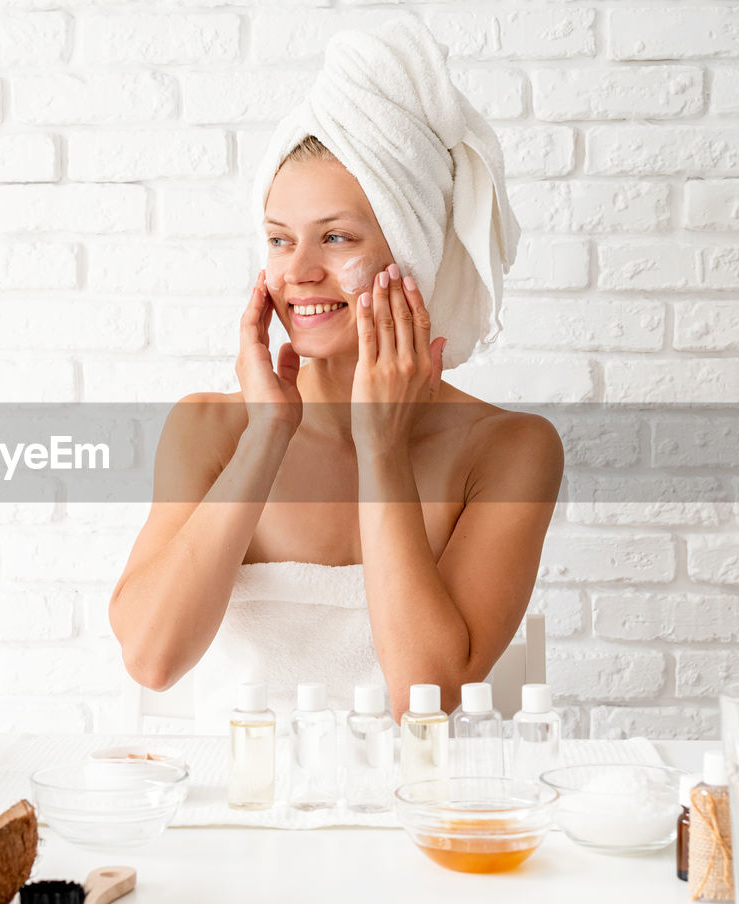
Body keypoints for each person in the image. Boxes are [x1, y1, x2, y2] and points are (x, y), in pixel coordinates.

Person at [108, 17, 564, 726]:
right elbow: (152, 658)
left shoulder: (508, 451)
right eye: (280, 239)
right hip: (244, 813)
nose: (298, 271)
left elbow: (427, 698)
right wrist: (265, 436)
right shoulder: (207, 429)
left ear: (411, 252)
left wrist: (381, 450)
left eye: (337, 237)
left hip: (421, 819)